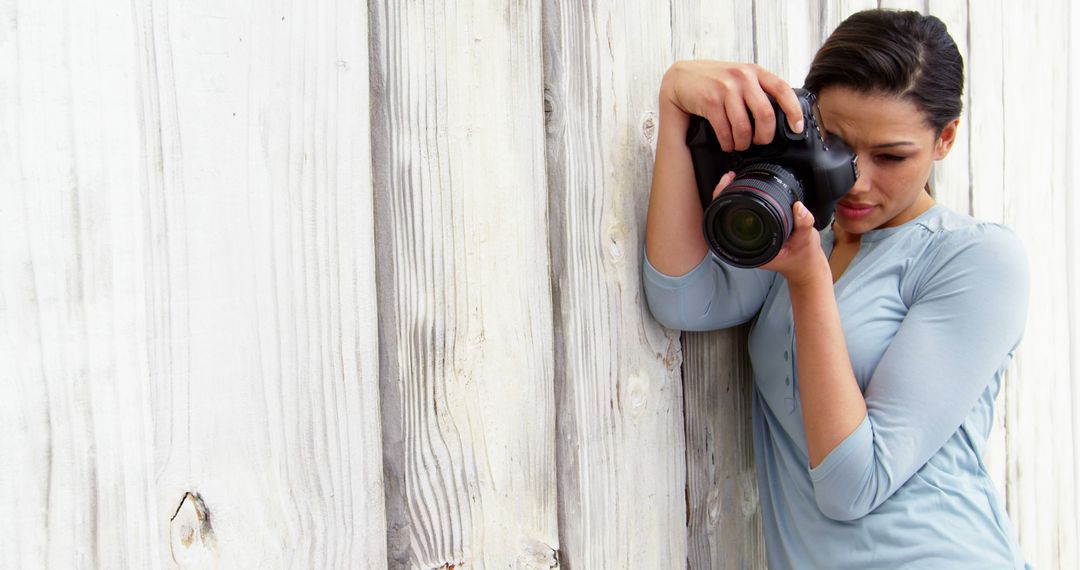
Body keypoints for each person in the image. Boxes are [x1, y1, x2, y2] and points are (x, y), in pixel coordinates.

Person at [643, 9, 1030, 569]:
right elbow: (682, 297)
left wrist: (807, 280)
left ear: (944, 139)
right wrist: (675, 101)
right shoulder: (806, 230)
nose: (858, 180)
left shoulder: (974, 259)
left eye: (892, 157)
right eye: (837, 142)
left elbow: (855, 483)